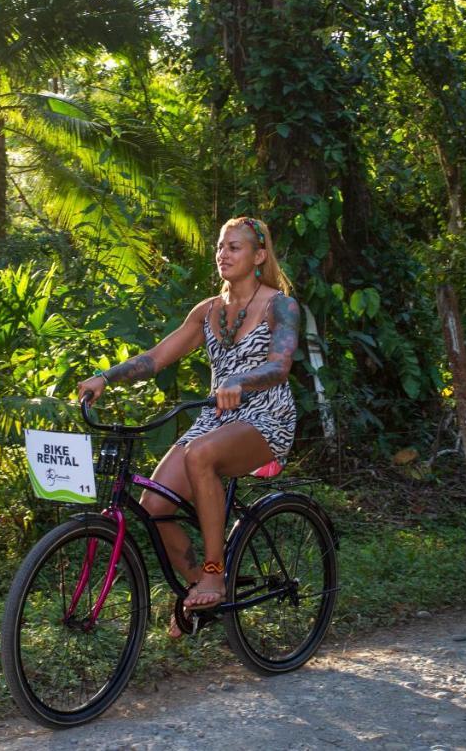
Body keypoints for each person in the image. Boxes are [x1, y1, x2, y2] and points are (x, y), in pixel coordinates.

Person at [77, 217, 299, 626]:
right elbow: (156, 358)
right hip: (215, 420)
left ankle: (215, 574)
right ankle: (201, 588)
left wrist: (241, 380)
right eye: (220, 246)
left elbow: (280, 366)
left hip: (268, 417)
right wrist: (105, 378)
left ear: (258, 256)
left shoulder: (278, 304)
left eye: (234, 247)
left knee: (200, 455)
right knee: (154, 505)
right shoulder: (208, 310)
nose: (223, 254)